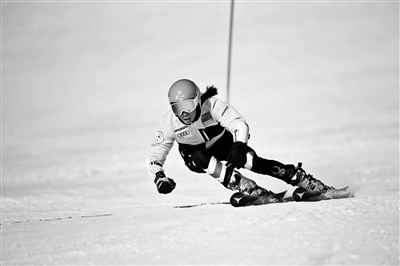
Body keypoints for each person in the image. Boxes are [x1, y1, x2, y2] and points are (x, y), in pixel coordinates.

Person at [146, 79, 334, 196]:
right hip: (196, 154)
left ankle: (299, 178)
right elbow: (156, 154)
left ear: (197, 100)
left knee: (252, 161)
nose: (184, 113)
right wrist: (159, 177)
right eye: (177, 108)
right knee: (199, 157)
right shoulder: (169, 122)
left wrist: (239, 146)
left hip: (222, 143)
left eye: (187, 105)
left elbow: (238, 123)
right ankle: (245, 186)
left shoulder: (211, 106)